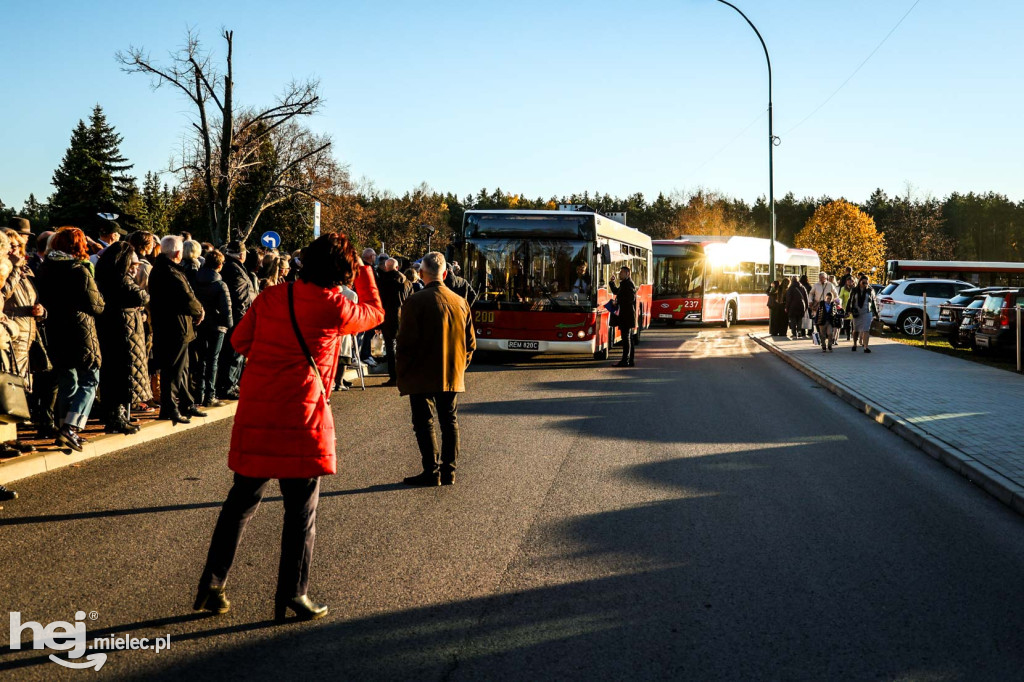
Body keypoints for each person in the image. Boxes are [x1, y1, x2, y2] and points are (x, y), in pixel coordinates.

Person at [194, 232, 383, 620]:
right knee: (300, 513)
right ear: (342, 270)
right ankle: (294, 594)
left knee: (239, 505)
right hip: (302, 416)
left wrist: (272, 355)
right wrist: (365, 269)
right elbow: (375, 312)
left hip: (259, 412)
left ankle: (212, 585)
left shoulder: (270, 296)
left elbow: (241, 341)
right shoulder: (335, 307)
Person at [396, 252, 474, 487]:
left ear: (421, 274)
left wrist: (402, 374)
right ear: (446, 274)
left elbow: (405, 343)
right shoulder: (461, 302)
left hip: (421, 373)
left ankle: (431, 470)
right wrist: (459, 366)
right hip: (451, 372)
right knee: (449, 421)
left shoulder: (415, 301)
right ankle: (449, 471)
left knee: (424, 422)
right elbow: (470, 343)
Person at [36, 227, 105, 452]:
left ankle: (62, 427)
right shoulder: (79, 269)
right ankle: (71, 426)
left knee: (68, 381)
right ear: (78, 245)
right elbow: (97, 306)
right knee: (90, 380)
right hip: (80, 331)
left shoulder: (45, 268)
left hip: (56, 330)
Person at [95, 242, 151, 434]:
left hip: (116, 329)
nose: (136, 270)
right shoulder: (121, 280)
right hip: (122, 331)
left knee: (116, 375)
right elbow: (142, 296)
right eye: (133, 266)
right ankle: (116, 418)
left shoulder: (104, 276)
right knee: (121, 375)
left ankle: (117, 415)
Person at [149, 235, 205, 424]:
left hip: (173, 325)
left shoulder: (162, 268)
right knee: (173, 369)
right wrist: (199, 310)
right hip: (175, 326)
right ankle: (170, 407)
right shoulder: (170, 272)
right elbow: (187, 296)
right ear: (178, 253)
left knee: (182, 367)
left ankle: (186, 403)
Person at [217, 241, 257, 400]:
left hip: (236, 317)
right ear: (242, 254)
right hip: (239, 318)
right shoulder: (235, 270)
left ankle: (231, 385)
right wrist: (243, 320)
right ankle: (229, 386)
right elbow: (240, 297)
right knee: (234, 354)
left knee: (234, 354)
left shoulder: (232, 267)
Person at [193, 250, 233, 408]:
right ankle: (210, 395)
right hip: (217, 326)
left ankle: (199, 393)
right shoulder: (220, 284)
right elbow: (226, 308)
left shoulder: (195, 280)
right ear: (219, 265)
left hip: (200, 324)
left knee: (201, 359)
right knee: (213, 360)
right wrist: (228, 325)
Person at [377, 258, 412, 387]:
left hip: (388, 318)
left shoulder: (383, 281)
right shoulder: (406, 282)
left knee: (390, 348)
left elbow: (379, 301)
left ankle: (394, 376)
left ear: (386, 268)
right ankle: (404, 374)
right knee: (403, 347)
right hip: (403, 317)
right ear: (397, 267)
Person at [609, 265, 637, 367]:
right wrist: (612, 283)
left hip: (627, 315)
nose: (619, 274)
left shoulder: (629, 284)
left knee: (626, 338)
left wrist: (617, 302)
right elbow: (617, 292)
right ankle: (630, 360)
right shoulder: (625, 283)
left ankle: (626, 360)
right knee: (628, 337)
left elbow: (630, 299)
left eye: (621, 273)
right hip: (626, 315)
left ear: (627, 273)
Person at [358, 248, 379, 367]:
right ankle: (365, 354)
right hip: (367, 305)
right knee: (366, 333)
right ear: (370, 257)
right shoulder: (369, 270)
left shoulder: (361, 269)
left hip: (364, 304)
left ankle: (364, 354)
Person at [848, 275, 879, 353]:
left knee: (866, 329)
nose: (865, 283)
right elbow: (850, 300)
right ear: (860, 282)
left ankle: (866, 347)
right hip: (857, 312)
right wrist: (848, 310)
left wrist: (876, 313)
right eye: (863, 282)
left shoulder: (870, 290)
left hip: (867, 312)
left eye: (866, 282)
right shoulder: (854, 290)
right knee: (856, 330)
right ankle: (854, 344)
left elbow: (873, 302)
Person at [838, 275, 855, 343]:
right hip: (846, 307)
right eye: (848, 281)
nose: (849, 282)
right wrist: (840, 304)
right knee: (847, 323)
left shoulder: (855, 288)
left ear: (853, 281)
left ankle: (854, 335)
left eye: (851, 281)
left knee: (854, 322)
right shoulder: (843, 288)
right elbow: (840, 297)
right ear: (846, 281)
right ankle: (848, 335)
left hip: (853, 307)